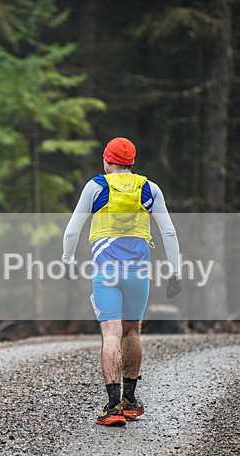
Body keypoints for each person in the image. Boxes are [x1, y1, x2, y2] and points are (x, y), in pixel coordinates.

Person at [62, 137, 181, 427]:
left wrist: (67, 259)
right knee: (132, 332)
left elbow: (72, 230)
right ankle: (130, 401)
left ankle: (113, 407)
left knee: (111, 333)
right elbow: (168, 233)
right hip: (139, 272)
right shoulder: (150, 189)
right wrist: (175, 271)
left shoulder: (96, 186)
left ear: (107, 160)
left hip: (107, 271)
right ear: (131, 162)